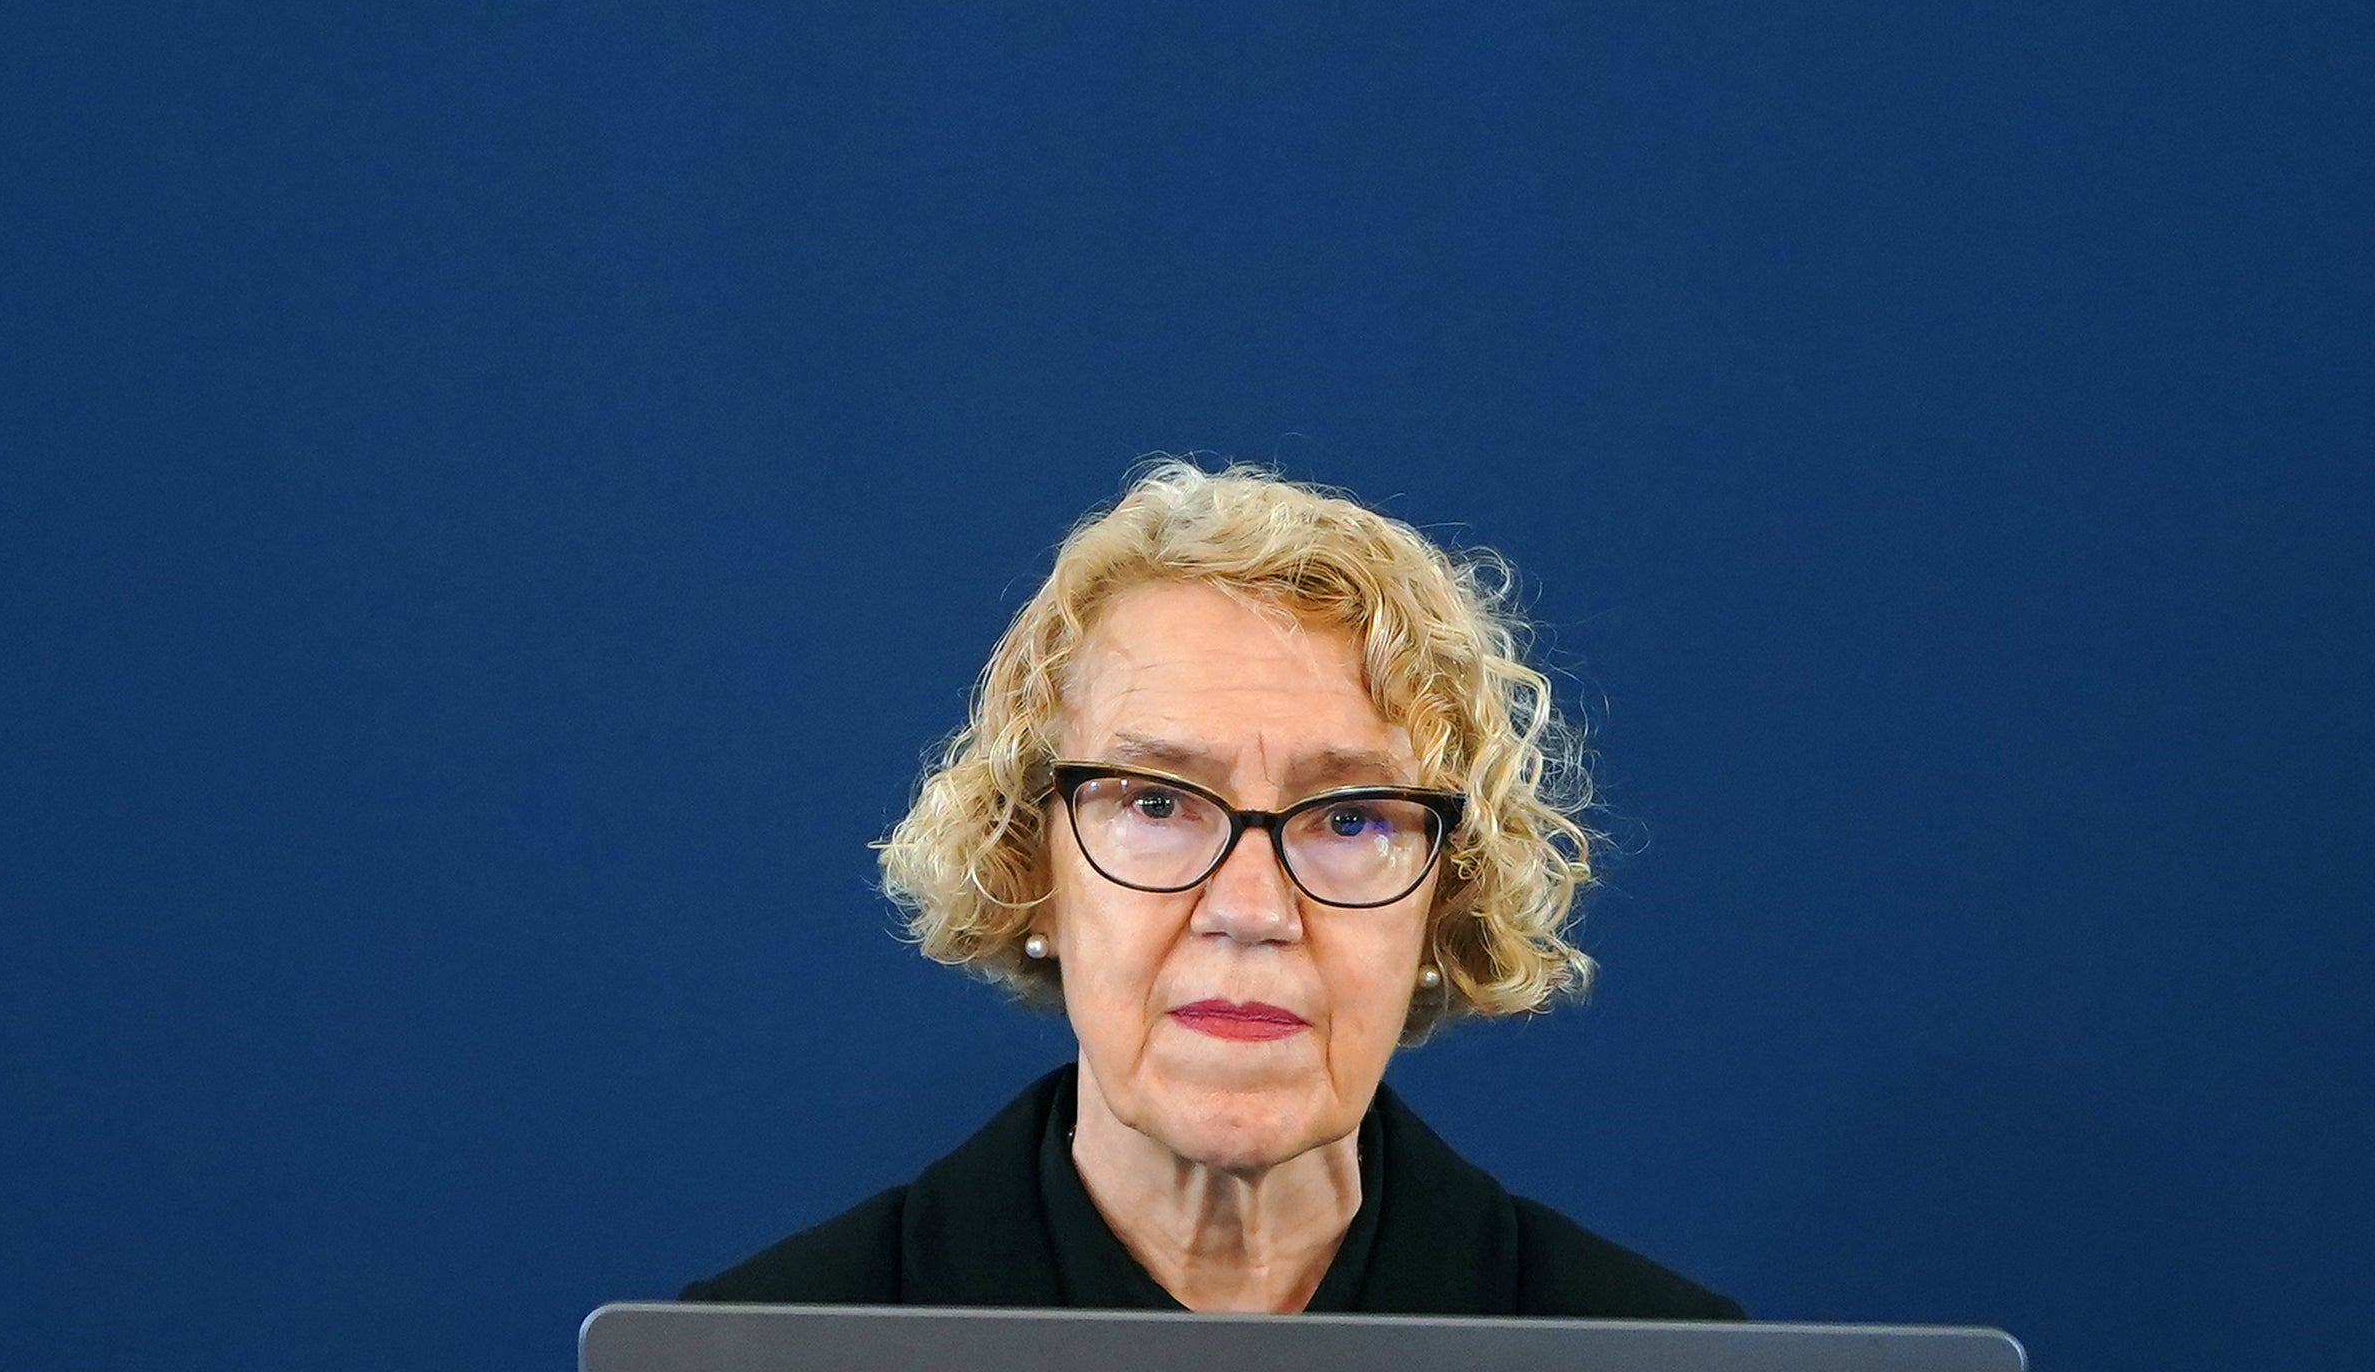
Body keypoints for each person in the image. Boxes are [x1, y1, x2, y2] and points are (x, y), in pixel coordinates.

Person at [687, 460, 1739, 1319]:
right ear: (1028, 871)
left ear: (1446, 903)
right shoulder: (750, 1371)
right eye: (1153, 803)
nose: (1250, 909)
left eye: (1348, 818)